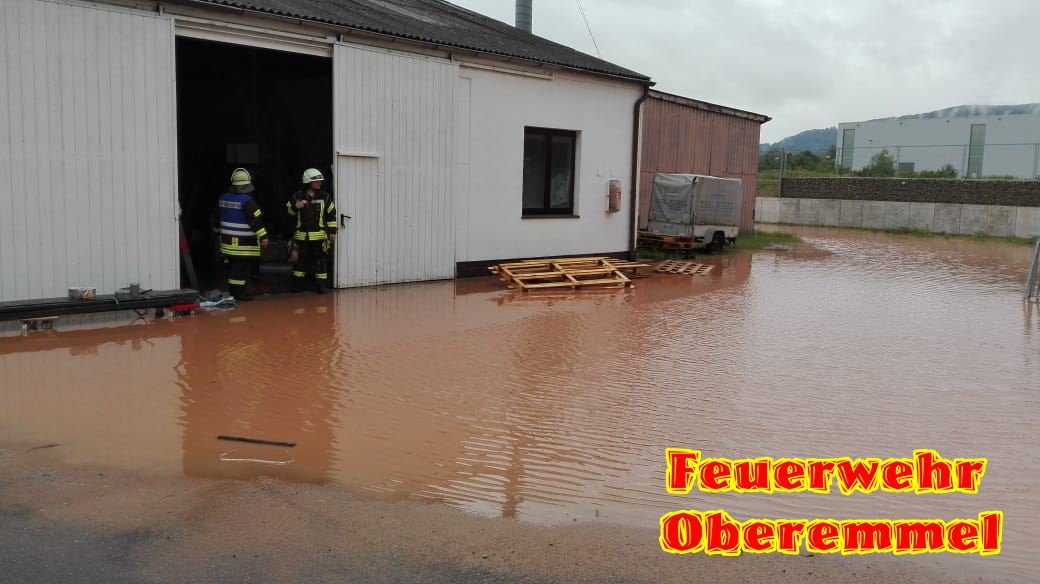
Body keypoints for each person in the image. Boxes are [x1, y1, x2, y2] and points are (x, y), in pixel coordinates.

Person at [215, 168, 268, 300]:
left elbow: (216, 218)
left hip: (226, 242)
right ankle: (238, 294)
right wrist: (263, 237)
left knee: (233, 269)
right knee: (240, 270)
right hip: (243, 244)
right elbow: (256, 221)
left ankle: (235, 293)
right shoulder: (248, 201)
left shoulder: (223, 198)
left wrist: (217, 235)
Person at [287, 168, 337, 293]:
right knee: (300, 262)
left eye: (320, 181)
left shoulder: (325, 197)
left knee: (321, 262)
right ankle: (297, 286)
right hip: (301, 237)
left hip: (319, 237)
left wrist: (333, 232)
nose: (319, 183)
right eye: (316, 181)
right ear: (308, 182)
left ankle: (321, 287)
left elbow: (331, 215)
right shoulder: (297, 196)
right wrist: (295, 207)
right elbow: (289, 212)